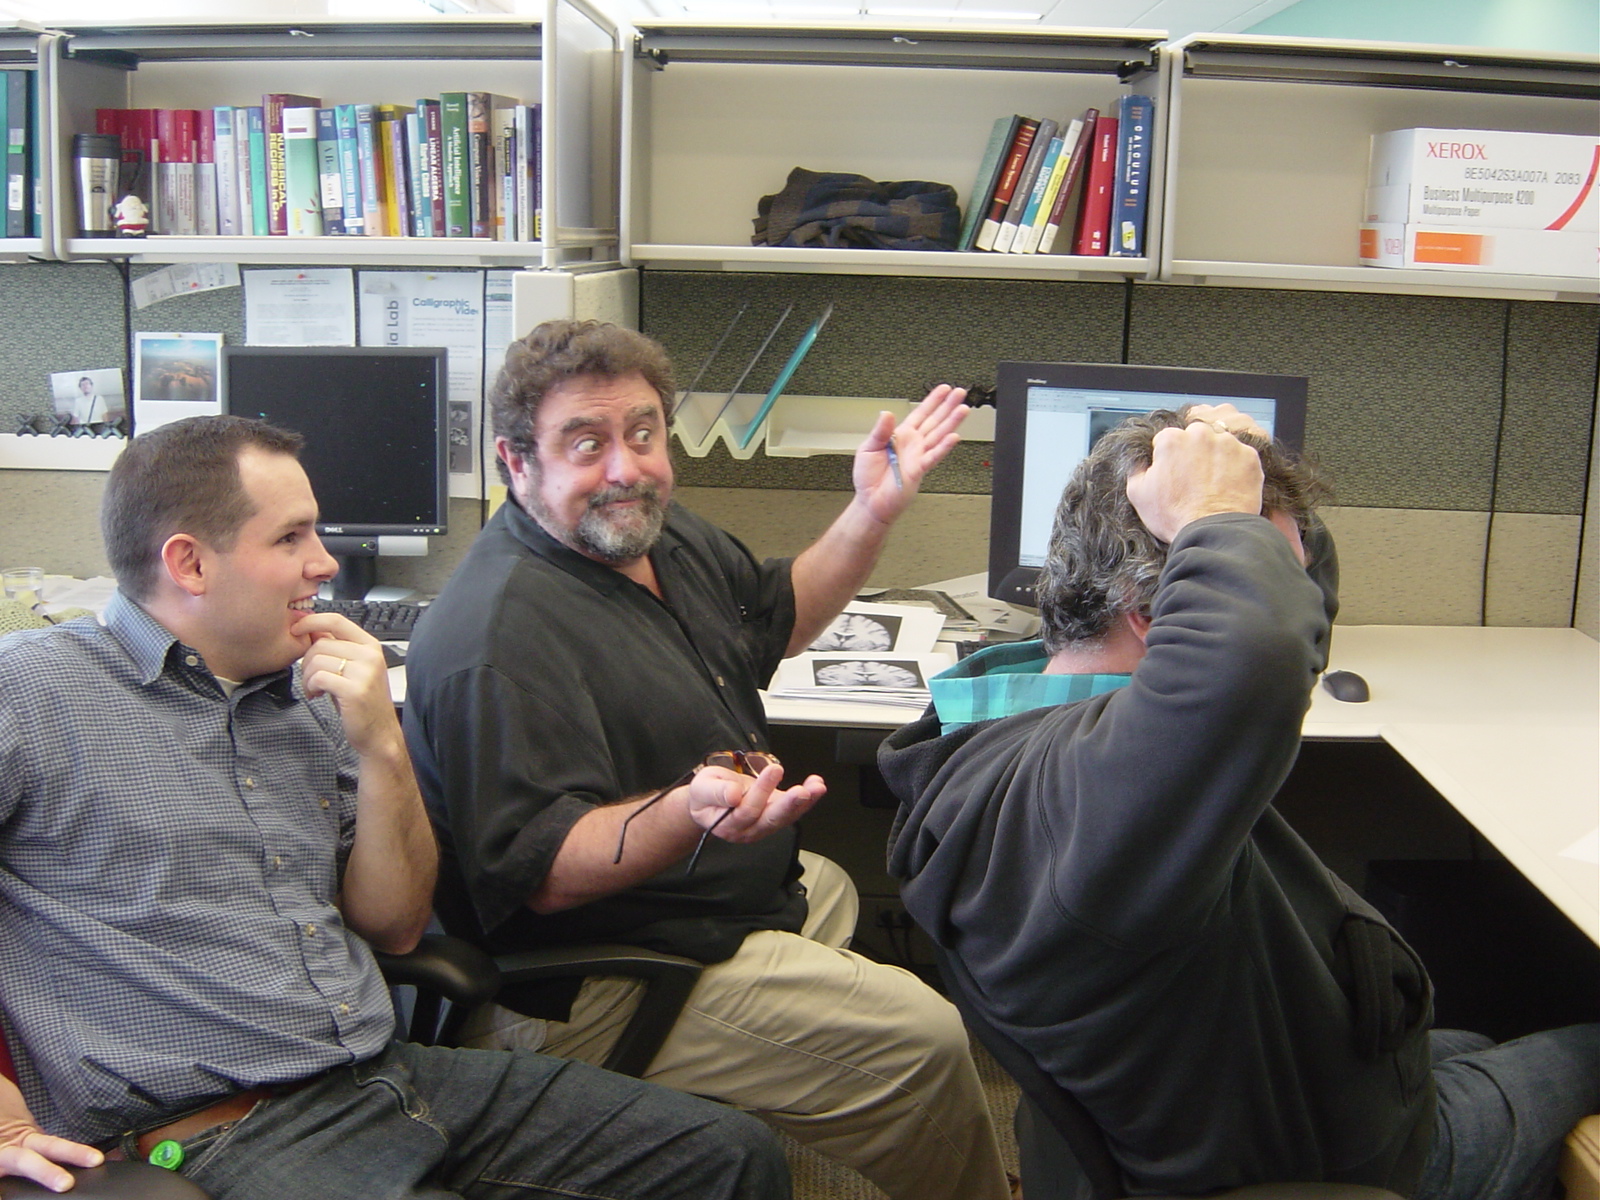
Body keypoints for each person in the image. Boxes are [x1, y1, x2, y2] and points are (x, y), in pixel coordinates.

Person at [0, 415, 794, 1199]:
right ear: (190, 563)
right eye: (290, 538)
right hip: (217, 1128)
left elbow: (397, 927)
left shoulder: (312, 697)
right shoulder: (32, 693)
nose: (323, 563)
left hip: (379, 1078)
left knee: (730, 1155)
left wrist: (382, 744)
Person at [881, 404, 1600, 1199]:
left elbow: (1287, 637)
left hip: (1235, 1097)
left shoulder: (1024, 720)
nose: (1281, 593)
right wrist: (1216, 516)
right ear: (1153, 617)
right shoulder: (1086, 799)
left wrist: (1240, 494)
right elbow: (1259, 655)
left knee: (1477, 1038)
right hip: (1326, 1163)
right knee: (1585, 1048)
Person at [404, 320, 1012, 1200]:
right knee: (925, 1042)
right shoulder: (498, 637)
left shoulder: (646, 536)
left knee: (829, 887)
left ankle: (726, 1108)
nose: (626, 467)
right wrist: (688, 812)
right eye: (587, 444)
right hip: (584, 978)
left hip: (678, 903)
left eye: (643, 433)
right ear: (515, 462)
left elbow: (777, 617)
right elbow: (546, 872)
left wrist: (872, 511)